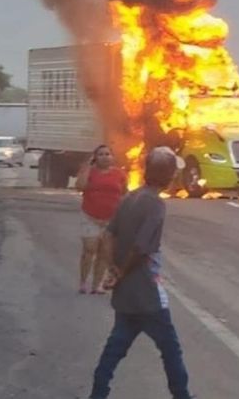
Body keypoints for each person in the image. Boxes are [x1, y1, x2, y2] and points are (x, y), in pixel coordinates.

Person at [89, 147, 193, 399]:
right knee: (170, 349)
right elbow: (142, 247)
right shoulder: (155, 204)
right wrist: (122, 272)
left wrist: (113, 267)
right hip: (146, 291)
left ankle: (98, 393)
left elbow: (108, 235)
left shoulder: (130, 197)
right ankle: (182, 395)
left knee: (115, 347)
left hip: (127, 294)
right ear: (167, 175)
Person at [75, 144, 127, 294]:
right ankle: (83, 282)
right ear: (95, 157)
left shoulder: (120, 174)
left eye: (107, 154)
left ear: (113, 157)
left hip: (111, 219)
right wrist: (86, 168)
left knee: (104, 253)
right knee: (89, 249)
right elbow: (80, 187)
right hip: (90, 216)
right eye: (101, 154)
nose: (105, 157)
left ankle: (96, 285)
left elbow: (124, 193)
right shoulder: (89, 172)